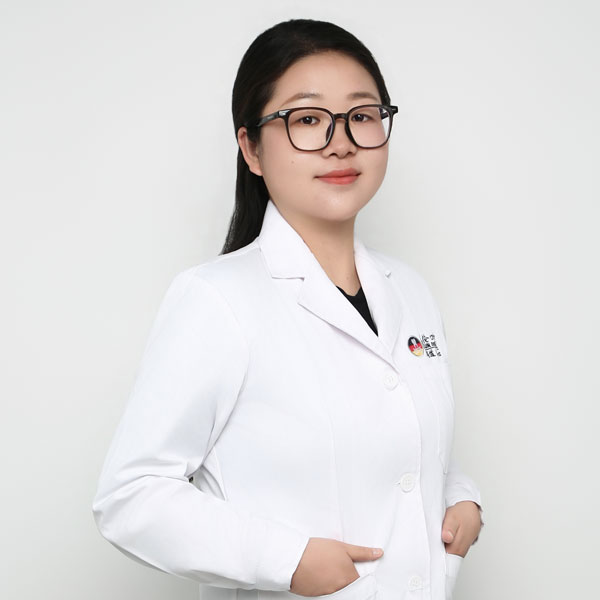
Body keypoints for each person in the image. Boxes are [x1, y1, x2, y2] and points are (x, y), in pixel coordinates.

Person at [92, 18, 483, 600]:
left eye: (362, 115)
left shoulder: (411, 290)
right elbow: (130, 496)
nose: (341, 141)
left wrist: (461, 498)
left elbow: (403, 447)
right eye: (306, 119)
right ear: (251, 148)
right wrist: (287, 561)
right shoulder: (217, 299)